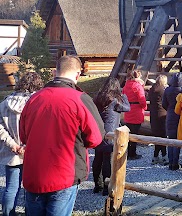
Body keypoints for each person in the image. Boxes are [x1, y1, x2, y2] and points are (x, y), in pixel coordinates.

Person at [19, 55, 104, 216]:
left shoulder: (33, 99)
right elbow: (96, 138)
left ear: (54, 72)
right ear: (78, 75)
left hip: (34, 174)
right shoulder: (80, 99)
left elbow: (23, 137)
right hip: (64, 174)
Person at [0, 72, 43, 216]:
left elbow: (0, 128)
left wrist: (13, 145)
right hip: (33, 152)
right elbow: (39, 127)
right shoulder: (38, 102)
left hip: (11, 152)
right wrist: (27, 146)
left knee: (11, 188)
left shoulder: (5, 103)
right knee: (32, 188)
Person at [92, 77, 130, 196]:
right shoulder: (115, 100)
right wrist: (124, 97)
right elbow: (127, 108)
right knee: (107, 159)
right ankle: (106, 186)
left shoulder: (98, 97)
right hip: (110, 132)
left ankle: (97, 185)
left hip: (98, 130)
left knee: (98, 157)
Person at [162, 72, 182, 170]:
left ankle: (171, 162)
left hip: (170, 115)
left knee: (171, 139)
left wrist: (169, 109)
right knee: (177, 140)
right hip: (180, 116)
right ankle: (175, 162)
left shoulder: (167, 90)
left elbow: (164, 104)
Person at [123, 69, 147, 159]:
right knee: (135, 134)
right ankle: (132, 153)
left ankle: (127, 152)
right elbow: (142, 99)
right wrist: (144, 107)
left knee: (128, 133)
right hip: (136, 111)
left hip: (129, 109)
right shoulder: (138, 86)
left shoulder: (126, 85)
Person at [149, 75, 169, 165]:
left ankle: (156, 156)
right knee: (163, 136)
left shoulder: (152, 89)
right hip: (162, 114)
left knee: (157, 136)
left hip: (153, 114)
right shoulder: (163, 91)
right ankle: (164, 156)